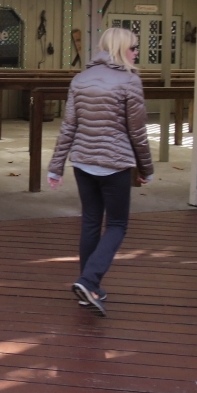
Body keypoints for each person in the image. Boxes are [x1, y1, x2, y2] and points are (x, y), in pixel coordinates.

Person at [47, 27, 154, 316]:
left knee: (91, 222)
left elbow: (69, 126)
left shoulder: (80, 79)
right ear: (121, 49)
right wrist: (146, 168)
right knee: (117, 224)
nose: (136, 52)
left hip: (82, 163)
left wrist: (56, 167)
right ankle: (88, 280)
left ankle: (88, 290)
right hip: (114, 165)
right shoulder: (130, 81)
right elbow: (138, 132)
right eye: (133, 47)